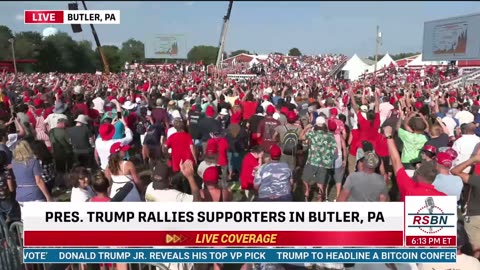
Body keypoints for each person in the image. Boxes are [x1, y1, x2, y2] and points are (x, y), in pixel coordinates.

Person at [384, 126, 445, 201]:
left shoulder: (408, 187)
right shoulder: (443, 197)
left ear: (419, 175)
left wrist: (388, 135)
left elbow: (396, 161)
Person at [300, 116, 337, 201]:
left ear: (316, 124)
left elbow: (301, 137)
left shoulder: (312, 133)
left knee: (305, 179)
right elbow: (335, 150)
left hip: (312, 161)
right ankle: (320, 200)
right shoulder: (330, 135)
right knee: (321, 184)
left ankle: (307, 191)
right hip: (324, 163)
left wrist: (306, 128)